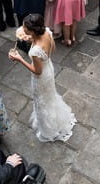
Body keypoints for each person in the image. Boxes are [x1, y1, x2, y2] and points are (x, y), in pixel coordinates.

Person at [8, 14, 76, 142]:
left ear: (33, 30)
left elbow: (37, 71)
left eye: (25, 27)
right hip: (49, 68)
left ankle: (48, 130)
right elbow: (53, 49)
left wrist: (19, 59)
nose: (23, 29)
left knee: (41, 101)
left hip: (41, 78)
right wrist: (32, 41)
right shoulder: (47, 32)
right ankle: (57, 121)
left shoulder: (35, 52)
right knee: (49, 97)